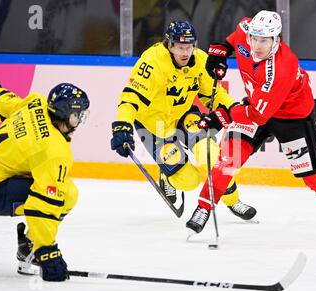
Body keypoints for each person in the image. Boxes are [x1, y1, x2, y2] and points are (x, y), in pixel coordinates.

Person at [188, 10, 316, 240]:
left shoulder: (282, 67)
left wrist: (221, 116)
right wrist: (220, 51)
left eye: (264, 40)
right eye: (254, 38)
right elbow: (233, 39)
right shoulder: (246, 32)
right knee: (230, 158)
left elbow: (257, 116)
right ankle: (204, 207)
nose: (257, 45)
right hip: (257, 106)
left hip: (292, 119)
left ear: (276, 40)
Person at [110, 20, 257, 224]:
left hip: (184, 114)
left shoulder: (200, 60)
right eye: (180, 47)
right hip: (154, 126)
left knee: (212, 157)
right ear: (169, 45)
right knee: (188, 181)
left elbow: (213, 94)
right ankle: (167, 176)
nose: (186, 52)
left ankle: (232, 200)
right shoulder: (152, 62)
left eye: (189, 47)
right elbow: (130, 98)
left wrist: (234, 108)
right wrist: (121, 126)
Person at [0, 78, 90, 281]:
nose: (79, 122)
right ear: (65, 113)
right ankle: (29, 250)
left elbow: (2, 101)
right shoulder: (54, 150)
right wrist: (47, 251)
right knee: (67, 194)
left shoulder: (35, 103)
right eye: (77, 115)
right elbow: (44, 205)